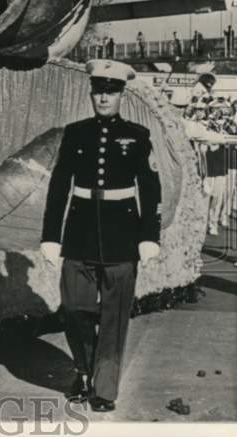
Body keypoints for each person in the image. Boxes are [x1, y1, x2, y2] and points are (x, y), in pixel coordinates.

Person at [40, 59, 162, 413]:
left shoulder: (138, 136)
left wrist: (148, 236)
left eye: (111, 92)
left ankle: (103, 389)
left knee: (114, 316)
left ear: (121, 95)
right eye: (98, 91)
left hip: (123, 235)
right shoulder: (75, 133)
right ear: (91, 94)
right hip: (78, 234)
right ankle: (83, 371)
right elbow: (59, 186)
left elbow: (150, 190)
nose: (104, 98)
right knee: (75, 308)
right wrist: (51, 236)